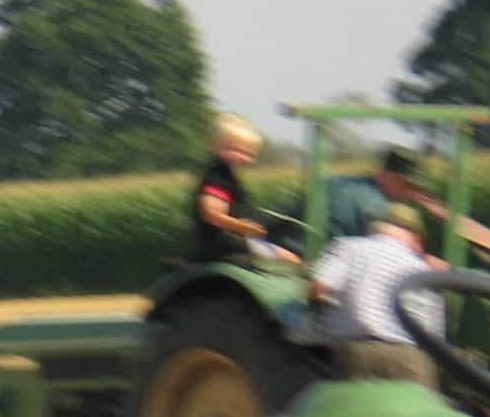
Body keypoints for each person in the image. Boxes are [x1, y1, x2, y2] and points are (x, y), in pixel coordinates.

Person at [308, 203, 446, 386]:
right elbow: (434, 337)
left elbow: (317, 289)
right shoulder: (424, 271)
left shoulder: (350, 248)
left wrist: (332, 309)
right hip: (412, 362)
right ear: (415, 238)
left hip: (357, 355)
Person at [188, 113, 296, 265]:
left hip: (229, 241)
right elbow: (210, 214)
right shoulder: (218, 177)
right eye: (234, 150)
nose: (242, 156)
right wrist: (241, 227)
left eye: (247, 153)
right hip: (224, 244)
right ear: (215, 146)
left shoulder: (226, 174)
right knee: (291, 260)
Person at [322, 145, 430, 243]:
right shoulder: (378, 208)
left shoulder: (342, 181)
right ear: (387, 176)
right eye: (405, 184)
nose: (407, 193)